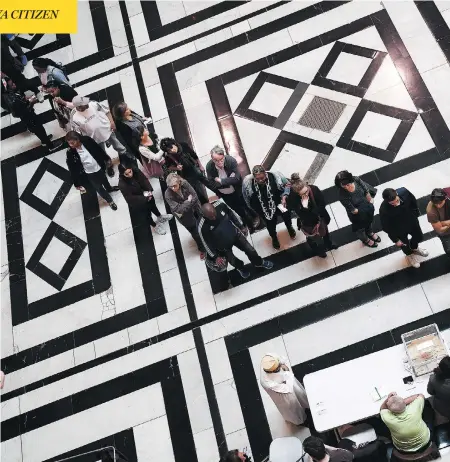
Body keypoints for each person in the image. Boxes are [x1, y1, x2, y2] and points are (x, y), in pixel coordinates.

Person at [198, 201, 273, 278]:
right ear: (204, 216)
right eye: (211, 217)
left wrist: (241, 226)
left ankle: (259, 262)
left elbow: (231, 214)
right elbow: (206, 243)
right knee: (233, 261)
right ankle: (241, 268)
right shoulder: (202, 226)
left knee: (250, 250)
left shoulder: (220, 205)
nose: (214, 218)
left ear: (213, 207)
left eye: (214, 214)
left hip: (235, 234)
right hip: (223, 247)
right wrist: (215, 257)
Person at [1, 75, 62, 151]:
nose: (14, 84)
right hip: (28, 116)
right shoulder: (13, 100)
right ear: (7, 88)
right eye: (12, 84)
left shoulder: (9, 95)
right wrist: (31, 103)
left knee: (37, 129)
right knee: (39, 128)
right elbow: (23, 111)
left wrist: (25, 100)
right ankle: (50, 146)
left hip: (27, 115)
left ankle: (44, 140)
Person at [242, 165, 295, 249]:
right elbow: (246, 197)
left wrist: (285, 195)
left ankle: (290, 227)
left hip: (279, 203)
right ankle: (274, 237)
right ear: (254, 177)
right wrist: (254, 209)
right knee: (270, 225)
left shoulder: (275, 176)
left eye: (262, 177)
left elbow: (287, 184)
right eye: (257, 179)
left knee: (286, 216)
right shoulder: (248, 184)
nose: (260, 180)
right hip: (264, 209)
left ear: (265, 173)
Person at [206, 145, 259, 229]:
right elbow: (211, 183)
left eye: (221, 160)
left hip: (237, 190)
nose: (219, 163)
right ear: (212, 159)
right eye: (216, 160)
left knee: (245, 204)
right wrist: (228, 181)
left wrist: (221, 181)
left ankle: (255, 216)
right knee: (236, 208)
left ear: (223, 156)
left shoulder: (231, 161)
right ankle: (245, 219)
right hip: (225, 194)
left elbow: (236, 179)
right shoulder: (209, 167)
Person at [65, 131, 118, 210]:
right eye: (69, 143)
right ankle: (110, 201)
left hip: (98, 166)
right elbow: (72, 168)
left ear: (78, 139)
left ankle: (109, 188)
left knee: (104, 179)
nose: (71, 145)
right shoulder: (70, 153)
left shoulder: (87, 141)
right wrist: (76, 183)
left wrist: (106, 158)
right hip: (88, 173)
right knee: (98, 187)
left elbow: (98, 149)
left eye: (72, 143)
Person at [287, 174, 338, 258]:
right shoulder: (293, 197)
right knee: (313, 238)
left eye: (306, 191)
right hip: (308, 223)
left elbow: (322, 203)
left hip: (320, 217)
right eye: (302, 194)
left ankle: (329, 244)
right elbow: (297, 211)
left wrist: (315, 211)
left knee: (325, 232)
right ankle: (319, 250)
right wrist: (304, 207)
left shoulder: (313, 189)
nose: (306, 194)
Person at [70, 96, 131, 164]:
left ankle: (125, 155)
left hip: (107, 129)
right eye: (85, 104)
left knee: (117, 144)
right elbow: (76, 131)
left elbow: (106, 111)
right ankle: (108, 164)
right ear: (79, 106)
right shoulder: (74, 116)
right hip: (94, 138)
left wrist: (112, 122)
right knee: (102, 153)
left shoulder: (93, 104)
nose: (87, 104)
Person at [379, 187, 429, 268]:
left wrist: (416, 213)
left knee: (419, 237)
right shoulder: (384, 210)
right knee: (404, 245)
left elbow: (413, 201)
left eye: (397, 201)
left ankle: (414, 247)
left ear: (396, 193)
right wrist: (395, 239)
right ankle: (409, 255)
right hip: (399, 229)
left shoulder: (404, 192)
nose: (395, 204)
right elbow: (386, 226)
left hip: (412, 222)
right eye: (392, 203)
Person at [118, 163, 172, 235]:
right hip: (139, 202)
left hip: (147, 194)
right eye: (126, 174)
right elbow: (130, 198)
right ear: (122, 174)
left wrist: (149, 190)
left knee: (153, 206)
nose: (130, 175)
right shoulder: (122, 184)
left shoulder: (136, 171)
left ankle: (160, 217)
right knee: (146, 215)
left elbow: (144, 180)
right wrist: (144, 198)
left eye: (130, 171)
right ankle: (154, 226)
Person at [260, 353, 309, 425]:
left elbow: (282, 359)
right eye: (278, 367)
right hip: (282, 394)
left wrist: (283, 365)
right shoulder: (267, 383)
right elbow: (288, 389)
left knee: (300, 394)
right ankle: (300, 420)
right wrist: (287, 372)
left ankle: (306, 405)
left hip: (288, 382)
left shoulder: (270, 359)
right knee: (293, 407)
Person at [165, 174, 206, 259]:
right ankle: (202, 249)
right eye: (170, 187)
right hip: (185, 217)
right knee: (195, 233)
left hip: (196, 209)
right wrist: (188, 201)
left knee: (204, 224)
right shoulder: (168, 194)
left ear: (179, 182)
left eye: (174, 186)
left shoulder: (185, 183)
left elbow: (195, 196)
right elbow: (178, 209)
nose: (173, 188)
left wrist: (185, 205)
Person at [335, 171, 379, 248]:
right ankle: (365, 240)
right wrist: (366, 209)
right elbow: (353, 210)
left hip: (366, 206)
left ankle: (370, 232)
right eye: (344, 186)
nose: (347, 188)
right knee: (360, 229)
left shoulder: (356, 179)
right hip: (357, 213)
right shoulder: (342, 195)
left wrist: (369, 198)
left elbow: (365, 189)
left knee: (369, 221)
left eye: (348, 185)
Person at [160, 137, 210, 204]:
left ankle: (218, 192)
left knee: (206, 182)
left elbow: (194, 155)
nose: (171, 151)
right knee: (194, 190)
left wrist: (200, 165)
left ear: (174, 143)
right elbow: (169, 167)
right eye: (169, 150)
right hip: (184, 174)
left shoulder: (183, 145)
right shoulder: (168, 155)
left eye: (171, 148)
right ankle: (205, 204)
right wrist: (177, 168)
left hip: (194, 167)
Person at [427, 188, 450, 258]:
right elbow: (440, 229)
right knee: (448, 248)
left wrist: (443, 223)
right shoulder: (431, 212)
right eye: (435, 204)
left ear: (445, 198)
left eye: (440, 203)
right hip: (445, 234)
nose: (438, 206)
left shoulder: (448, 198)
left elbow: (440, 225)